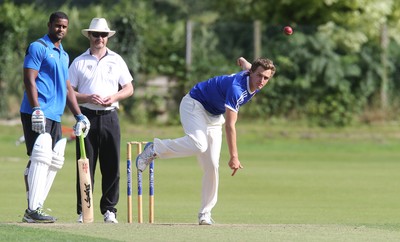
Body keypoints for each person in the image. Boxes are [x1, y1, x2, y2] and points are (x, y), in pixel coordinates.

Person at [136, 57, 276, 225]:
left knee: (212, 165)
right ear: (251, 73)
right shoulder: (237, 89)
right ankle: (155, 148)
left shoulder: (253, 76)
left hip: (214, 116)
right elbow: (230, 126)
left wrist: (242, 61)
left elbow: (248, 66)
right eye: (259, 75)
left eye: (266, 78)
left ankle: (205, 213)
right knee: (199, 144)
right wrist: (234, 157)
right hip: (195, 104)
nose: (261, 81)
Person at [20, 11, 90, 223]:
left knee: (52, 161)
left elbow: (68, 88)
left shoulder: (64, 55)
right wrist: (36, 109)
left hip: (56, 116)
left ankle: (35, 206)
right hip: (37, 112)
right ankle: (32, 210)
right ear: (50, 24)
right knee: (40, 158)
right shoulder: (38, 47)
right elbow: (29, 79)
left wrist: (79, 115)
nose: (61, 29)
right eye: (57, 25)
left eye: (64, 27)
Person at [69, 17, 134, 223]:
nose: (99, 38)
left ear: (108, 37)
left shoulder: (116, 59)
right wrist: (88, 97)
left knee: (111, 165)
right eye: (96, 34)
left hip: (110, 117)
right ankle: (84, 211)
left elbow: (129, 88)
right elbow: (68, 91)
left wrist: (113, 97)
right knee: (84, 164)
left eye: (103, 35)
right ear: (89, 35)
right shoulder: (79, 61)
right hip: (86, 117)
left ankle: (109, 210)